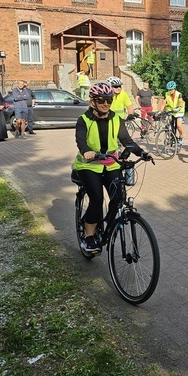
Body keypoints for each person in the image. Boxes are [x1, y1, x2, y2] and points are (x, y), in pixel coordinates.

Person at [73, 82, 152, 253]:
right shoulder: (84, 120)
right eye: (101, 100)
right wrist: (86, 151)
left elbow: (127, 141)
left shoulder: (116, 119)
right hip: (89, 166)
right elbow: (81, 141)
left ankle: (108, 225)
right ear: (93, 101)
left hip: (109, 165)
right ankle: (89, 236)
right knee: (96, 199)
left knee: (118, 198)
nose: (105, 104)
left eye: (109, 100)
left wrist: (142, 153)